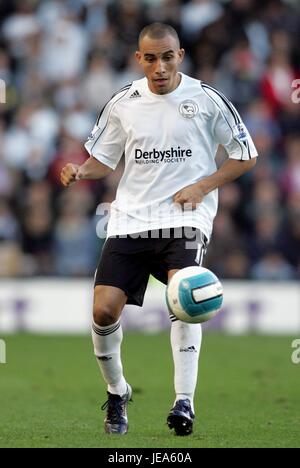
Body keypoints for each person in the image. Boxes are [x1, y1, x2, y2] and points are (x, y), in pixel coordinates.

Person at [60, 23, 258, 436]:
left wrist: (202, 187)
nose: (160, 66)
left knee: (183, 294)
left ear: (180, 56)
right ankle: (117, 392)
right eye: (151, 58)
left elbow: (245, 155)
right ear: (139, 60)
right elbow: (105, 159)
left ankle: (183, 401)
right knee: (102, 310)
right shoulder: (123, 103)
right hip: (131, 218)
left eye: (167, 57)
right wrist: (81, 170)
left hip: (185, 218)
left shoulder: (207, 99)